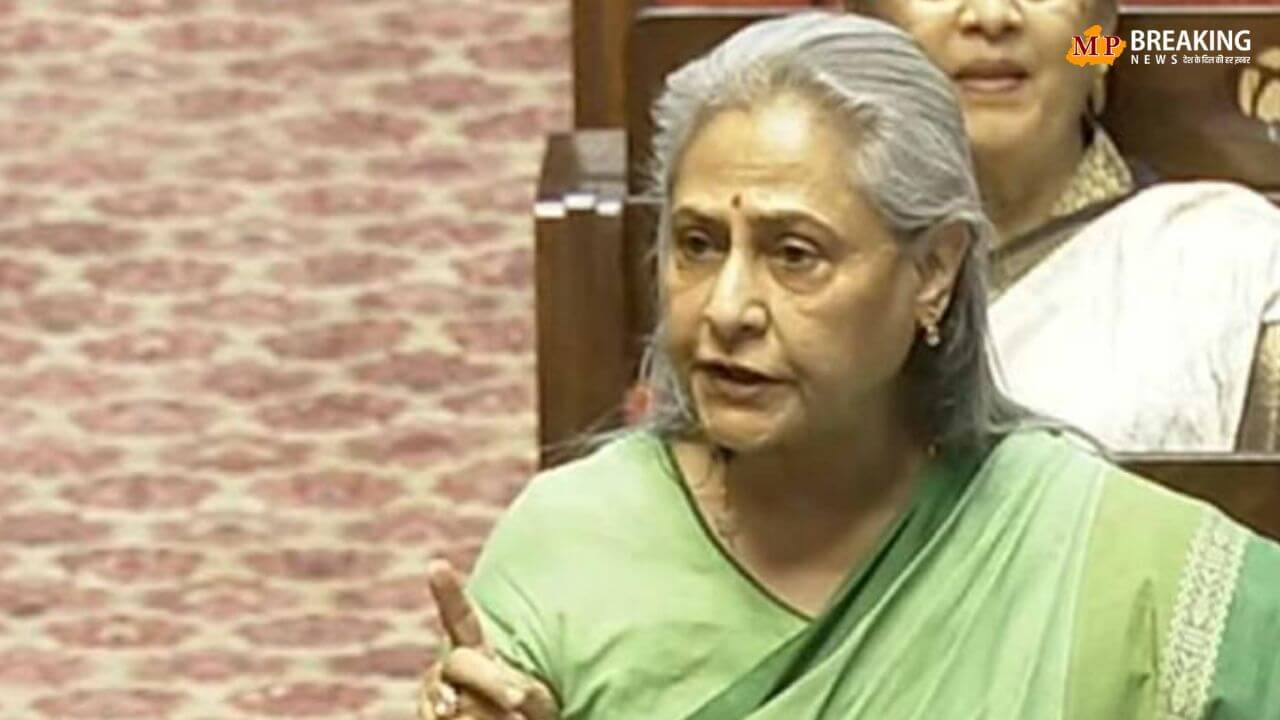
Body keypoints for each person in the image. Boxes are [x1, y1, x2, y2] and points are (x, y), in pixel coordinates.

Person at [418, 13, 1280, 720]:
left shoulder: (1098, 550)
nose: (726, 308)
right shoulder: (569, 548)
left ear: (934, 270)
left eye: (795, 254)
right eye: (697, 245)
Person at [848, 0, 1280, 452]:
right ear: (862, 26)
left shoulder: (1227, 260)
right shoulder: (811, 274)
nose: (993, 16)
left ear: (1100, 44)